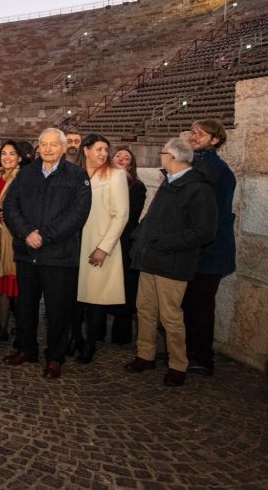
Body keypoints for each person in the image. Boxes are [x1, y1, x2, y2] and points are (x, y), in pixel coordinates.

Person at [126, 138, 217, 387]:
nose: (161, 156)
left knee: (170, 317)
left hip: (173, 262)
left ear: (173, 157)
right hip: (149, 258)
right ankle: (145, 355)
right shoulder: (170, 181)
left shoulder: (199, 188)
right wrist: (138, 237)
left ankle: (178, 364)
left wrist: (164, 244)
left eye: (162, 152)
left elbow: (204, 231)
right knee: (145, 310)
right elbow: (153, 218)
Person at [1, 128, 91, 380]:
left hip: (59, 255)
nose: (48, 149)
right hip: (27, 252)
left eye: (54, 144)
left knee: (57, 310)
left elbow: (78, 214)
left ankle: (55, 357)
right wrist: (27, 233)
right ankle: (26, 349)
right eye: (44, 144)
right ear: (38, 147)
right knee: (25, 307)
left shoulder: (77, 175)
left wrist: (45, 235)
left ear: (63, 147)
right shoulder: (26, 173)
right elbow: (10, 206)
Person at [183, 119, 236, 376]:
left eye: (201, 134)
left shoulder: (218, 170)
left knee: (201, 307)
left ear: (215, 140)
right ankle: (183, 351)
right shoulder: (195, 164)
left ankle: (202, 357)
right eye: (193, 132)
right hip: (194, 250)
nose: (194, 136)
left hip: (210, 253)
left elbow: (216, 215)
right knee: (187, 304)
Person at [74, 134, 129, 364]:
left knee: (94, 299)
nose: (103, 154)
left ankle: (90, 344)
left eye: (106, 150)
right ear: (86, 150)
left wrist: (104, 248)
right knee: (75, 298)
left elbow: (121, 215)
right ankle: (75, 339)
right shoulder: (75, 175)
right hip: (74, 245)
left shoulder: (116, 176)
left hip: (98, 245)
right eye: (98, 149)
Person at [0, 140, 24, 343]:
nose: (7, 157)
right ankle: (2, 329)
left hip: (16, 238)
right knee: (1, 287)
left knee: (17, 286)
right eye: (4, 154)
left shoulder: (23, 178)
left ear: (19, 157)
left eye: (12, 154)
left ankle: (23, 330)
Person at [109, 147, 147, 344]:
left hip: (124, 242)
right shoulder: (102, 181)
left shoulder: (137, 187)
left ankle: (121, 334)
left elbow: (130, 217)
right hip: (102, 239)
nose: (122, 159)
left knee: (125, 286)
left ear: (131, 166)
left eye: (127, 158)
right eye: (119, 156)